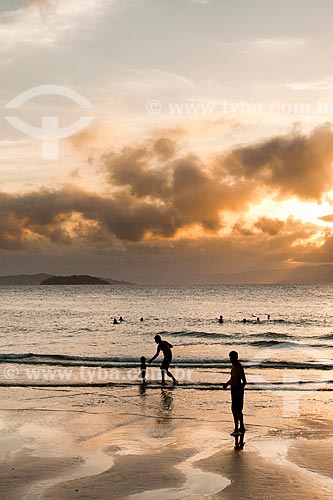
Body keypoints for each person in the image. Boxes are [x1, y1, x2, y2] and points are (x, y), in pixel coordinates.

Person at [223, 351, 246, 436]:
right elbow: (232, 378)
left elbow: (244, 381)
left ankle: (237, 429)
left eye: (232, 358)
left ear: (236, 357)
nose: (230, 359)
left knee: (236, 410)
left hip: (238, 390)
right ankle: (241, 427)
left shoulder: (239, 366)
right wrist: (226, 384)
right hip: (233, 389)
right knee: (236, 410)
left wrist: (239, 392)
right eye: (230, 357)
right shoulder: (233, 366)